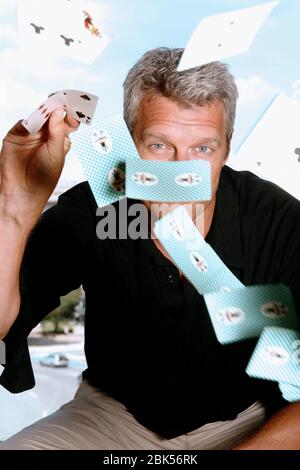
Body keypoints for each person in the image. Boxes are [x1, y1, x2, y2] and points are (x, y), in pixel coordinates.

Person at [0, 47, 300, 450]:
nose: (179, 171)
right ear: (127, 144)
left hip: (245, 420)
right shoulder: (95, 210)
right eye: (159, 146)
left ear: (227, 148)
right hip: (111, 418)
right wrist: (13, 211)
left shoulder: (276, 219)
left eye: (202, 149)